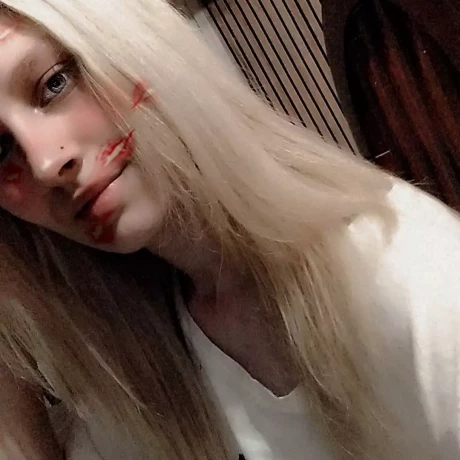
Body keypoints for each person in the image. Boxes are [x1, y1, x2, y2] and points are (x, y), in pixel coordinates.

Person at [0, 1, 458, 459]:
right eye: (1, 149)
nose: (45, 164)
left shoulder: (416, 283)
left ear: (137, 45)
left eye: (54, 83)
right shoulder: (134, 370)